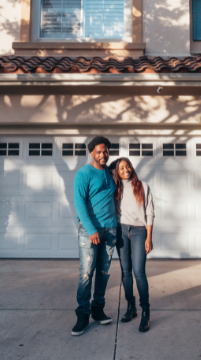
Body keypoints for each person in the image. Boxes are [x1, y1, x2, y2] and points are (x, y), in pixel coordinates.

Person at [71, 137, 119, 337]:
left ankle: (97, 309)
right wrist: (91, 230)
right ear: (91, 153)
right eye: (99, 151)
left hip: (110, 230)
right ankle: (82, 314)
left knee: (104, 273)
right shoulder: (84, 173)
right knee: (86, 273)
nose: (103, 155)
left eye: (106, 151)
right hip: (90, 230)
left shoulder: (110, 172)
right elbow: (79, 203)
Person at [111, 158, 155, 333]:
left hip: (139, 231)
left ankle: (145, 311)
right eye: (121, 167)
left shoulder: (143, 186)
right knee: (125, 272)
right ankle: (131, 307)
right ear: (117, 171)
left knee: (139, 272)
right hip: (121, 230)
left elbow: (150, 213)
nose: (126, 169)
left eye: (127, 165)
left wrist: (149, 237)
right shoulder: (115, 189)